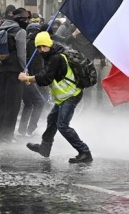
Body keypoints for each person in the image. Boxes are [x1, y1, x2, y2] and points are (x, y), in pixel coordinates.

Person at [19, 31, 92, 163]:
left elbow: (46, 78)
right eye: (39, 47)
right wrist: (31, 78)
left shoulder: (56, 58)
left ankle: (84, 152)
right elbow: (47, 75)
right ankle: (45, 148)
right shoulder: (51, 56)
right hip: (64, 97)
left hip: (71, 95)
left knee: (62, 125)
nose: (42, 50)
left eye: (44, 46)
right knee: (52, 119)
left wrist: (27, 78)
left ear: (49, 44)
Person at [0, 10, 27, 143]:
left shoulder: (2, 28)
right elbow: (21, 54)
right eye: (25, 18)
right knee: (13, 104)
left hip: (3, 70)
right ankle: (8, 135)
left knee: (3, 103)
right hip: (15, 72)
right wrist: (25, 69)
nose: (27, 20)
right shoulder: (20, 32)